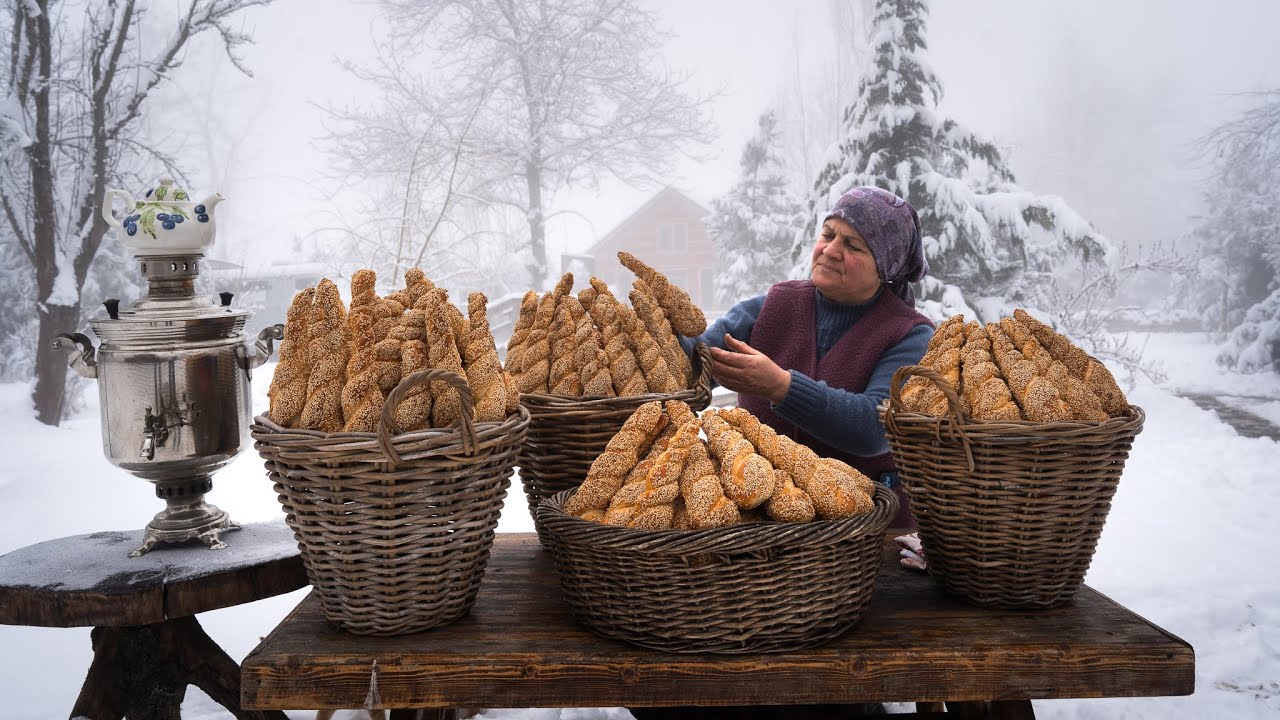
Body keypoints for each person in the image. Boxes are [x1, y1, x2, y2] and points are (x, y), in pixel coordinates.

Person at [689, 185, 935, 531]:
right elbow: (693, 361)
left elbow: (874, 429)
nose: (831, 251)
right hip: (767, 523)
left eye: (853, 245)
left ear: (885, 266)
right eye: (828, 235)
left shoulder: (910, 335)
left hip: (867, 530)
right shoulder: (773, 307)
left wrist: (780, 386)